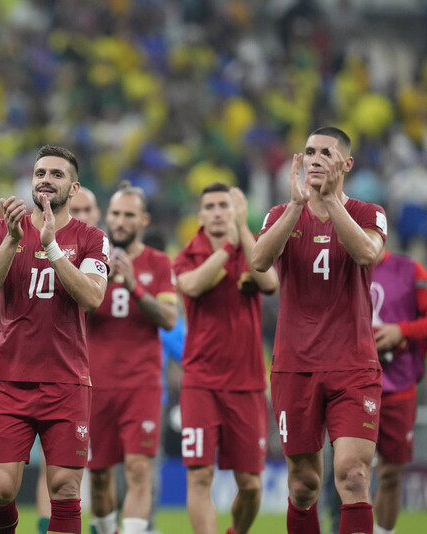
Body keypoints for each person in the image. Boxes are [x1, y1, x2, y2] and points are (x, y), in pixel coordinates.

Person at [252, 126, 387, 534]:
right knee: (304, 485)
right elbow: (258, 261)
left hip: (354, 365)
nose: (315, 158)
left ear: (345, 164)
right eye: (309, 151)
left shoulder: (368, 212)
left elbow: (367, 254)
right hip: (295, 366)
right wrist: (297, 206)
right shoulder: (280, 214)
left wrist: (328, 199)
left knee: (353, 476)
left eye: (326, 153)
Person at [0, 145, 110, 534]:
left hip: (67, 382)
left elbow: (93, 297)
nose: (46, 180)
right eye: (40, 173)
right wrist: (11, 240)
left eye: (57, 174)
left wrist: (51, 246)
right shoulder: (3, 228)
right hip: (11, 382)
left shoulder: (92, 238)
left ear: (75, 187)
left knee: (65, 489)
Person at [173, 182, 278, 534]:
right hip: (200, 383)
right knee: (200, 474)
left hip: (247, 384)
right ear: (201, 215)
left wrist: (243, 234)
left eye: (225, 205)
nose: (218, 211)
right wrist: (229, 245)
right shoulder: (188, 254)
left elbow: (270, 282)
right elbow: (192, 285)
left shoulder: (251, 251)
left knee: (250, 484)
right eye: (211, 206)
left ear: (235, 212)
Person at [88, 182, 178, 534]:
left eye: (128, 215)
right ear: (107, 217)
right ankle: (107, 528)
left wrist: (133, 287)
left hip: (141, 385)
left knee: (139, 469)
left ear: (143, 220)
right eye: (115, 214)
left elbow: (169, 318)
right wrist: (101, 284)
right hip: (96, 384)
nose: (121, 222)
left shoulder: (158, 262)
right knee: (98, 475)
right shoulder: (90, 258)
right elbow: (76, 313)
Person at [33, 184, 102, 534]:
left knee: (106, 467)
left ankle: (109, 526)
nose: (82, 215)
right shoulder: (40, 246)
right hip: (60, 372)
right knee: (54, 464)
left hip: (104, 377)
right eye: (79, 209)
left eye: (88, 209)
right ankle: (48, 526)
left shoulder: (101, 252)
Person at [369, 250, 427, 534]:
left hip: (398, 386)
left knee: (391, 474)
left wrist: (401, 331)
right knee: (349, 470)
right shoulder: (340, 267)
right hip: (350, 385)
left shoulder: (411, 270)